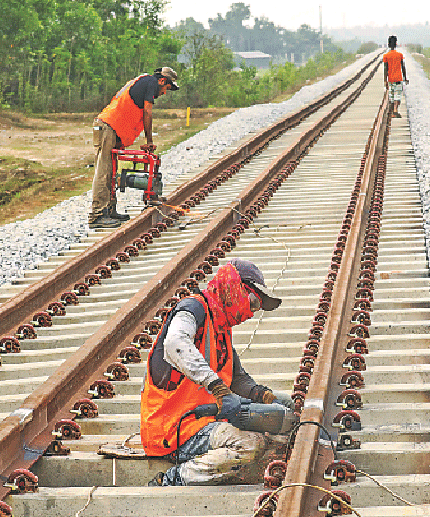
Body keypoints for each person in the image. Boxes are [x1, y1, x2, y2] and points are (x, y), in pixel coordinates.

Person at [140, 258, 293, 486]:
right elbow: (175, 344)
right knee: (251, 443)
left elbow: (238, 379)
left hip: (204, 419)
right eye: (252, 303)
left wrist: (266, 397)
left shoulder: (221, 327)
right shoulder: (193, 310)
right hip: (175, 428)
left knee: (279, 429)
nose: (251, 313)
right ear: (234, 289)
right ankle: (173, 479)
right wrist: (218, 389)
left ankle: (225, 467)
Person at [90, 67, 179, 228]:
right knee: (103, 171)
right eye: (166, 88)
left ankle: (109, 210)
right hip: (107, 126)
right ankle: (97, 216)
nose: (165, 93)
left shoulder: (144, 81)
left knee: (110, 170)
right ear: (162, 81)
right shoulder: (151, 83)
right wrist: (149, 140)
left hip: (112, 128)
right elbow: (147, 112)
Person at [382, 35, 408, 117]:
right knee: (398, 95)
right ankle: (395, 110)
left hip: (390, 79)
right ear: (396, 44)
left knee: (392, 95)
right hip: (398, 78)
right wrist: (405, 78)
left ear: (388, 44)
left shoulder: (386, 56)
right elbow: (403, 67)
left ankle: (393, 111)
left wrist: (385, 80)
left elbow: (385, 69)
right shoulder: (399, 55)